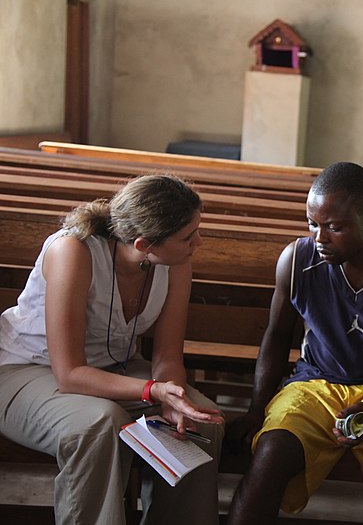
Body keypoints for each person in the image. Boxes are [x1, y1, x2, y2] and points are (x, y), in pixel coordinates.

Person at [0, 174, 225, 525]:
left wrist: (174, 398)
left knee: (201, 420)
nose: (199, 241)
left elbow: (167, 356)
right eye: (188, 236)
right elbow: (70, 374)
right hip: (27, 371)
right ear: (143, 244)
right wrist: (154, 391)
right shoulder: (72, 251)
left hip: (113, 371)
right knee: (101, 423)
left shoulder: (176, 262)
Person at [225, 161, 363, 525]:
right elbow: (276, 337)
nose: (319, 237)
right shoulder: (297, 259)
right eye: (312, 224)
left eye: (334, 227)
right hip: (315, 384)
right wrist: (256, 408)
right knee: (269, 453)